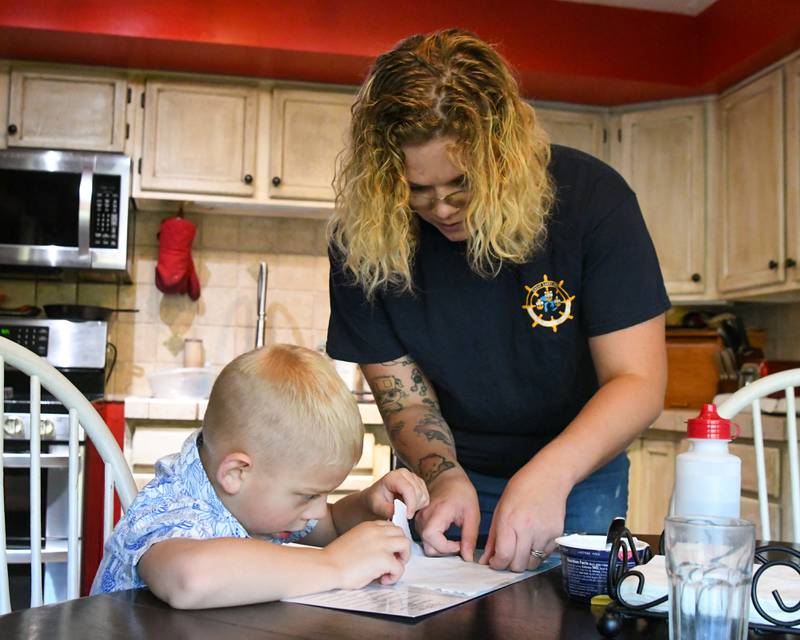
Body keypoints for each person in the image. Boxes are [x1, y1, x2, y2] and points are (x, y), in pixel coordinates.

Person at [326, 29, 669, 574]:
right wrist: (443, 475)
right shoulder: (364, 240)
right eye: (417, 189)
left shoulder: (592, 201)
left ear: (503, 156)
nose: (440, 207)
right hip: (444, 476)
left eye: (462, 184)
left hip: (577, 469)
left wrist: (551, 473)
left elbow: (638, 380)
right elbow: (406, 400)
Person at [92, 344, 428, 608]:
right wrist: (334, 564)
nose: (315, 510)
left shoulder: (256, 501)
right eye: (309, 495)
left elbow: (330, 526)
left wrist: (368, 503)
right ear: (237, 473)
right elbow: (190, 579)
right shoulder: (174, 506)